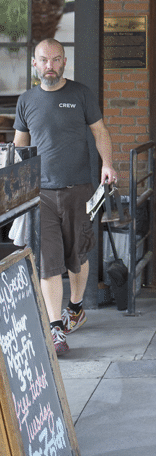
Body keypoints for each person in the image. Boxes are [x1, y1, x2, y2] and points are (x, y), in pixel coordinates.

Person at [13, 39, 116, 357]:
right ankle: (56, 327)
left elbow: (100, 132)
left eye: (56, 60)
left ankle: (75, 306)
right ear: (34, 63)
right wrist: (18, 185)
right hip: (41, 193)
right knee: (48, 261)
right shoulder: (26, 100)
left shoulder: (81, 94)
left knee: (78, 255)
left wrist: (108, 165)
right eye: (44, 60)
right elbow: (19, 147)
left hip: (79, 189)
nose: (50, 65)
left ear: (64, 62)